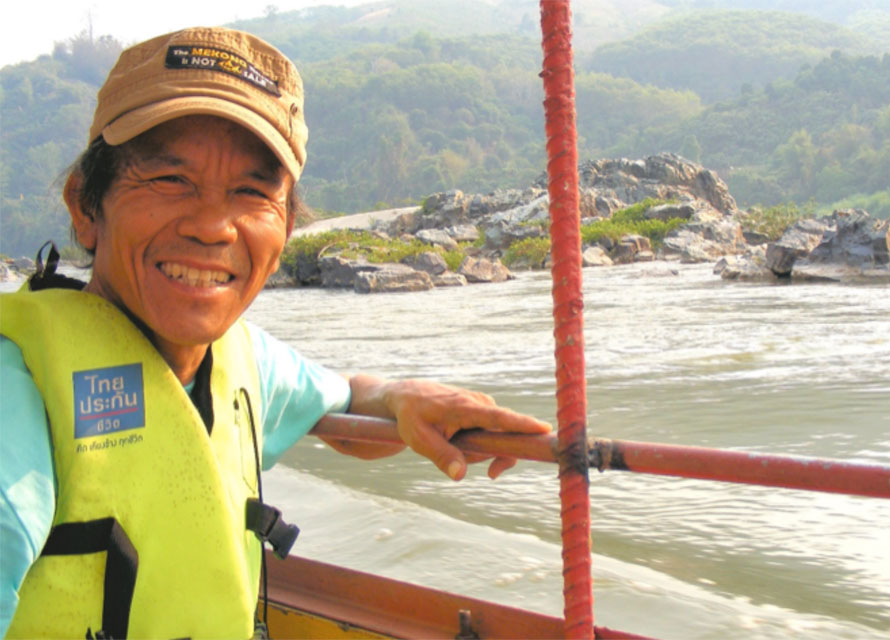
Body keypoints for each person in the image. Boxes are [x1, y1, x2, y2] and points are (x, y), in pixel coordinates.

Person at [0, 26, 551, 639]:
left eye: (252, 191)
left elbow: (340, 401)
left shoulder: (244, 364)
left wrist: (398, 398)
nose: (213, 227)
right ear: (85, 205)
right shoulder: (17, 391)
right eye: (169, 180)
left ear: (286, 225)